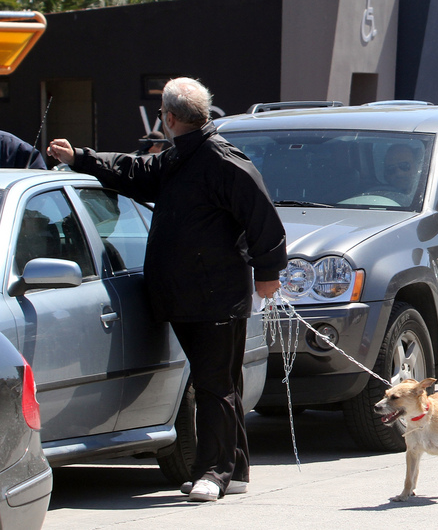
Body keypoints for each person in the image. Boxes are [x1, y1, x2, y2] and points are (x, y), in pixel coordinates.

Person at [46, 77, 287, 503]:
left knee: (212, 384)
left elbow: (264, 220)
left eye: (161, 116)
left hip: (216, 296)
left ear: (170, 118)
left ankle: (213, 472)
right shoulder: (180, 157)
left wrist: (268, 272)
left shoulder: (222, 160)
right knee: (221, 382)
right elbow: (137, 173)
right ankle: (237, 469)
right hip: (185, 294)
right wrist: (81, 158)